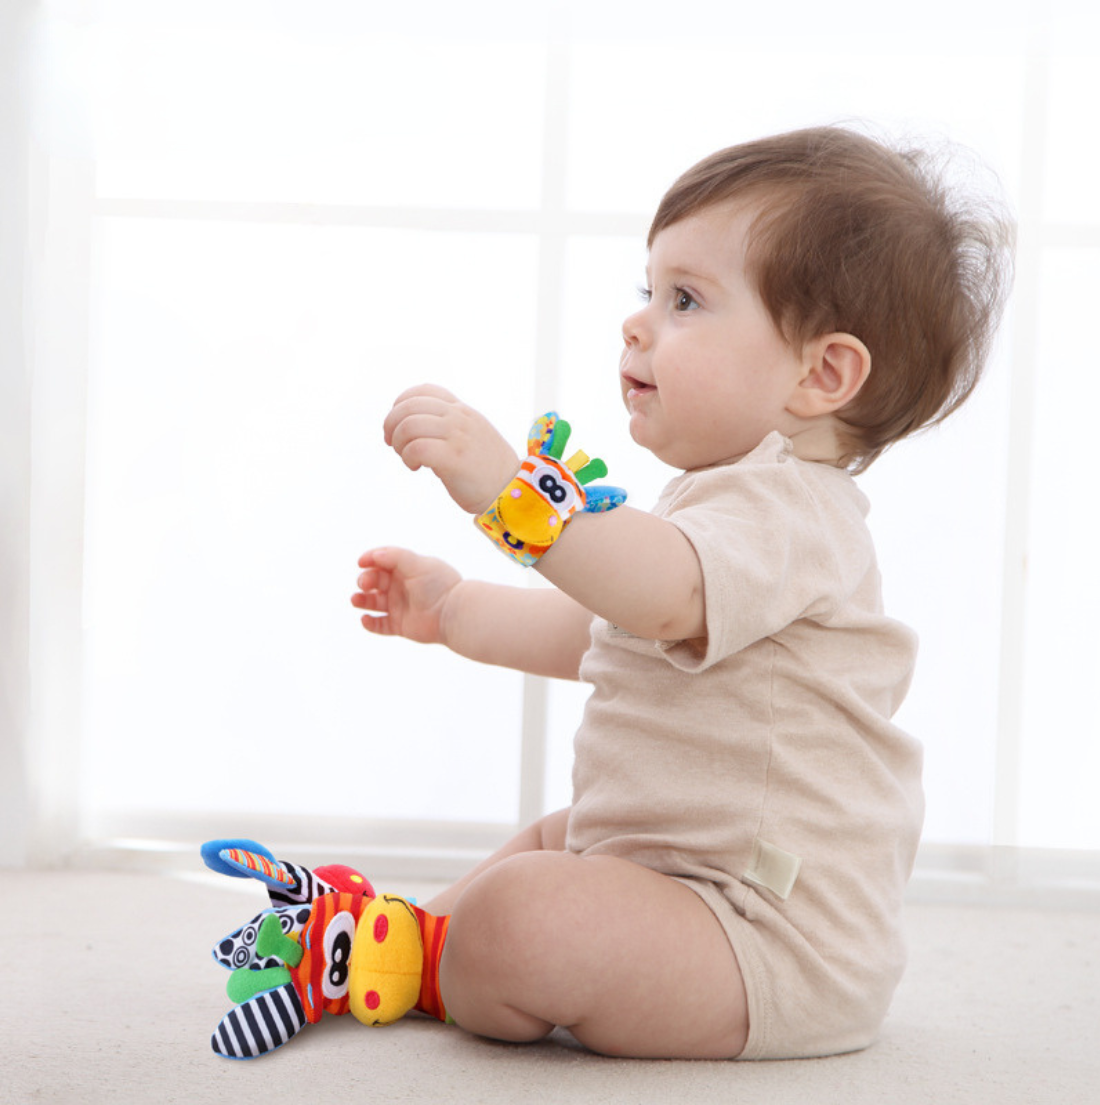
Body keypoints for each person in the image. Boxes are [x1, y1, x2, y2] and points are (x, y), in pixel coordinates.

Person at [350, 125, 1012, 1060]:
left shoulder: (792, 515)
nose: (640, 323)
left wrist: (510, 492)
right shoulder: (711, 511)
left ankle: (443, 956)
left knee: (524, 909)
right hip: (674, 872)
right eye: (648, 292)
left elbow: (651, 595)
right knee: (559, 838)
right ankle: (402, 942)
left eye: (688, 300)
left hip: (765, 934)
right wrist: (455, 611)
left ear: (822, 373)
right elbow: (606, 623)